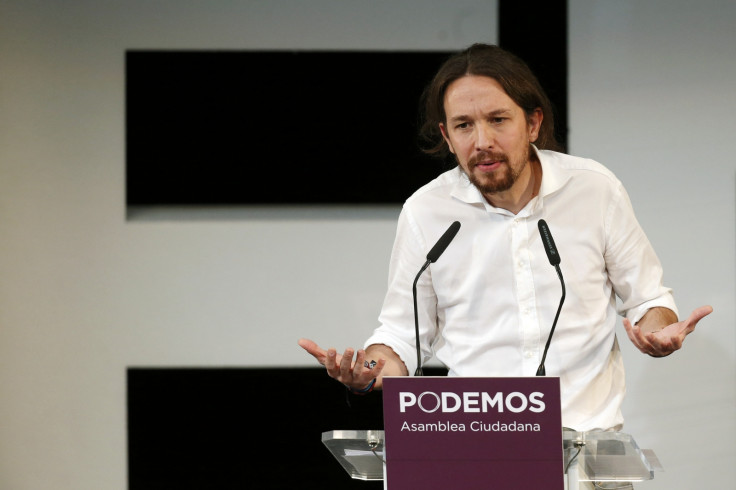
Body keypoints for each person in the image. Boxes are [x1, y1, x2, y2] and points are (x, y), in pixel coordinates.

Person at [299, 43, 712, 431]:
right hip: (477, 448)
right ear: (447, 137)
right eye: (464, 126)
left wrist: (659, 331)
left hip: (586, 451)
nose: (482, 142)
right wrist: (366, 373)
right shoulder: (426, 212)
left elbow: (649, 300)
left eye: (498, 120)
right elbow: (401, 336)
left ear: (533, 123)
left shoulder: (594, 189)